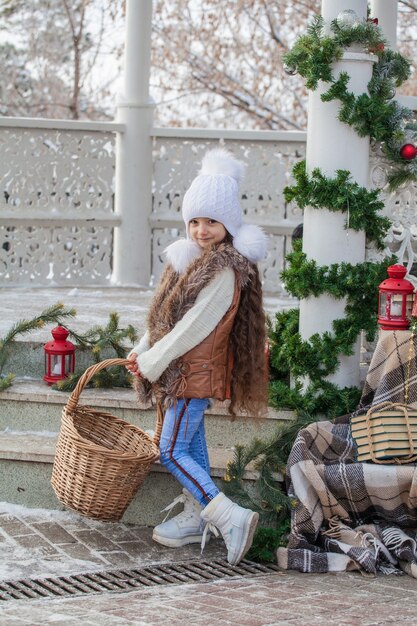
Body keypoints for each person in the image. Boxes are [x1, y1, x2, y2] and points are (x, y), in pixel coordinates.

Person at [126, 147, 268, 565]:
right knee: (192, 445)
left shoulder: (225, 268)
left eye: (211, 221)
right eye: (195, 221)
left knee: (170, 450)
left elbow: (193, 328)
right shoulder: (188, 260)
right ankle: (196, 515)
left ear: (228, 224)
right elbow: (163, 318)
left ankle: (228, 515)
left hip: (194, 372)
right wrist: (142, 349)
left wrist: (153, 362)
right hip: (180, 370)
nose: (201, 230)